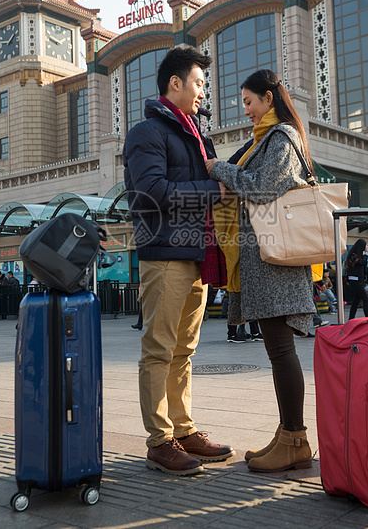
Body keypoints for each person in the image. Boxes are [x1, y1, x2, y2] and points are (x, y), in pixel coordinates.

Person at [123, 46, 234, 476]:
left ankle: (183, 430)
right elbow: (149, 193)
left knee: (183, 352)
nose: (203, 91)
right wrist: (214, 190)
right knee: (159, 350)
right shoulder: (147, 133)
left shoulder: (193, 132)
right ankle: (159, 440)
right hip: (165, 254)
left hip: (196, 254)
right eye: (199, 82)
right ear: (175, 83)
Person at [205, 69, 315, 473]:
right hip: (268, 263)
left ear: (269, 98)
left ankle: (296, 440)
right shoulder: (265, 140)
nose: (246, 110)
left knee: (282, 351)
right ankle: (288, 434)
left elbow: (264, 188)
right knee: (277, 350)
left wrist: (219, 168)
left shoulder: (282, 137)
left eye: (249, 102)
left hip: (276, 263)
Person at [345, 238, 368, 319]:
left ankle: (351, 318)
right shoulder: (353, 255)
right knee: (366, 300)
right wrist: (366, 253)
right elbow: (362, 263)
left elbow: (363, 263)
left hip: (358, 280)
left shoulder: (356, 255)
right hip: (355, 280)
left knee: (356, 301)